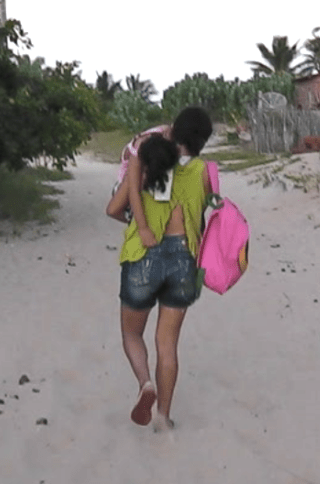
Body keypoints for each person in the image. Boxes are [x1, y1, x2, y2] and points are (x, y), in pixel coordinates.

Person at [106, 107, 213, 431]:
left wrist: (138, 222)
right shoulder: (205, 171)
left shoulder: (150, 163)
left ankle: (145, 384)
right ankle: (163, 418)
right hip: (184, 260)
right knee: (167, 344)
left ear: (173, 130)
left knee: (131, 333)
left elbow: (113, 209)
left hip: (144, 256)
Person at [110, 112, 212, 248]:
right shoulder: (146, 145)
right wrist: (142, 227)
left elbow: (113, 210)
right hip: (127, 180)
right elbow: (133, 189)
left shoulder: (163, 146)